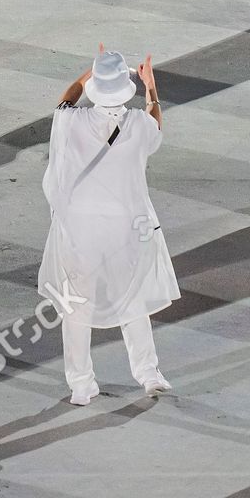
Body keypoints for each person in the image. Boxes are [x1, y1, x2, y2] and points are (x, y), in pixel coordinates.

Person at [39, 47, 177, 406]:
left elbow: (65, 100)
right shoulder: (137, 126)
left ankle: (82, 384)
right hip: (124, 231)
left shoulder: (72, 123)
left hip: (80, 232)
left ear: (97, 88)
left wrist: (90, 73)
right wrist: (151, 87)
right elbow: (155, 121)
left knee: (75, 309)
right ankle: (148, 373)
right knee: (132, 299)